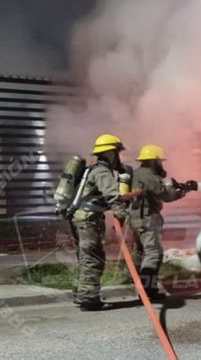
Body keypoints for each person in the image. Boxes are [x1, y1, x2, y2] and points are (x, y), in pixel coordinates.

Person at [129, 144, 198, 298]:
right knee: (154, 253)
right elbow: (164, 195)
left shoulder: (139, 173)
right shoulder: (148, 175)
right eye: (160, 161)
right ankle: (148, 290)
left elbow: (160, 188)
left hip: (137, 217)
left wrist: (177, 186)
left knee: (140, 252)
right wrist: (185, 190)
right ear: (154, 161)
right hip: (147, 218)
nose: (161, 164)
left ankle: (138, 284)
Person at [72, 133, 129, 310]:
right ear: (110, 153)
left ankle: (80, 294)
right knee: (93, 258)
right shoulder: (103, 172)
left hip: (78, 218)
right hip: (89, 220)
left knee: (84, 258)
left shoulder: (91, 169)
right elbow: (113, 196)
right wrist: (121, 215)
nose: (119, 157)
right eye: (117, 152)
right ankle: (89, 299)